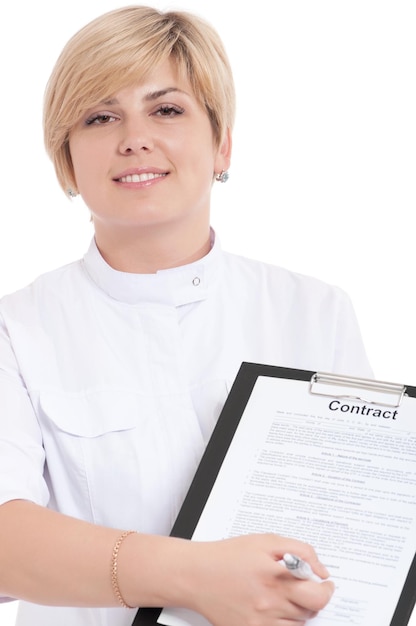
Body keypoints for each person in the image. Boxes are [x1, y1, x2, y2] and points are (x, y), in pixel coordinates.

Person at [0, 5, 372, 626]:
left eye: (166, 109)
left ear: (222, 144)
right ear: (66, 161)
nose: (134, 138)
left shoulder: (317, 313)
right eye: (100, 116)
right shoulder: (16, 331)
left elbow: (357, 532)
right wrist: (198, 577)